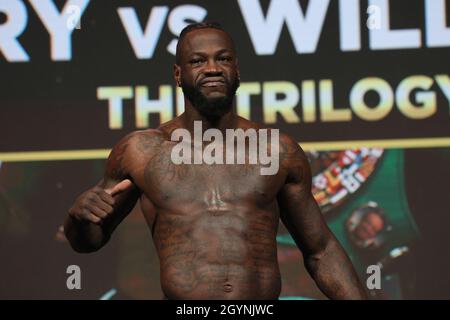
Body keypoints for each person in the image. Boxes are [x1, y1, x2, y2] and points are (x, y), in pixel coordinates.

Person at [64, 22, 367, 300]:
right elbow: (89, 241)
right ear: (178, 74)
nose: (212, 68)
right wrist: (77, 218)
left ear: (237, 70)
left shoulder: (277, 150)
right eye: (198, 61)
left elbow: (321, 250)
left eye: (223, 59)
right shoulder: (142, 150)